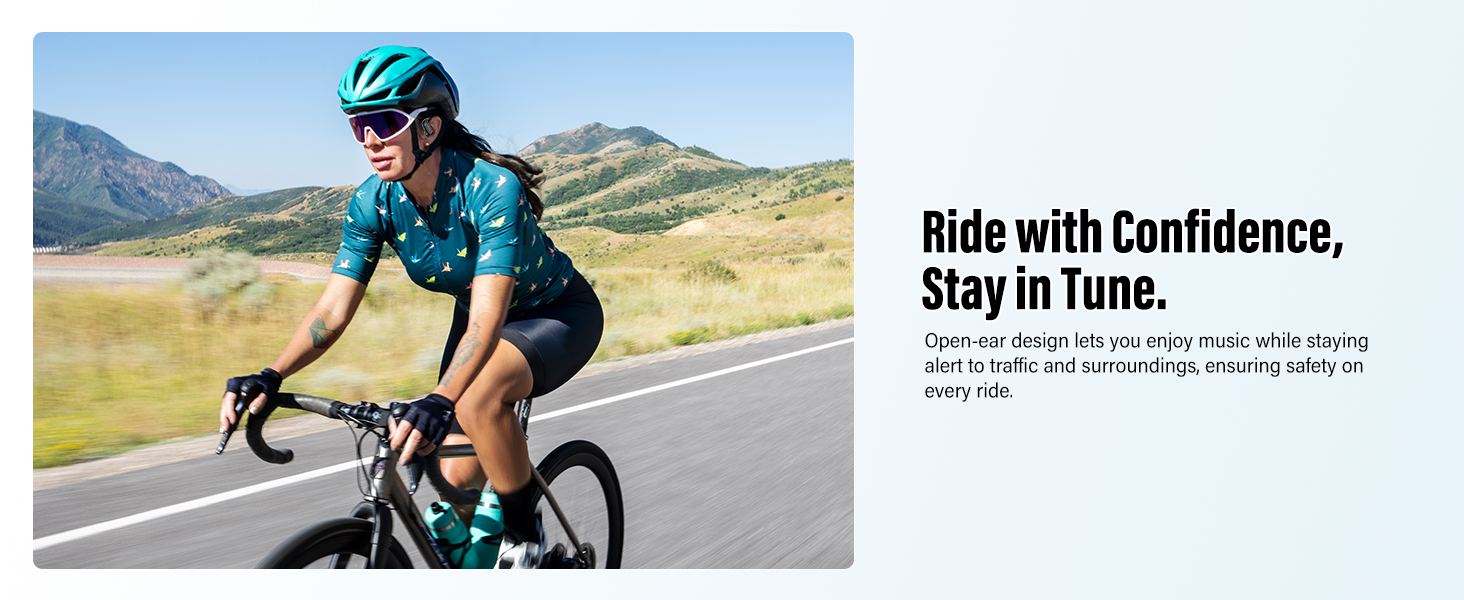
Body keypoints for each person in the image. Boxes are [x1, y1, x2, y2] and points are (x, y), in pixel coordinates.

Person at [218, 45, 603, 569]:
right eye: (358, 125)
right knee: (451, 486)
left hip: (554, 314)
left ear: (429, 127)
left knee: (472, 400)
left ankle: (525, 539)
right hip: (478, 324)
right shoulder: (374, 202)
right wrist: (270, 374)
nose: (370, 139)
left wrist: (443, 398)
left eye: (384, 120)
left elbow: (491, 318)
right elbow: (332, 309)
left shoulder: (491, 188)